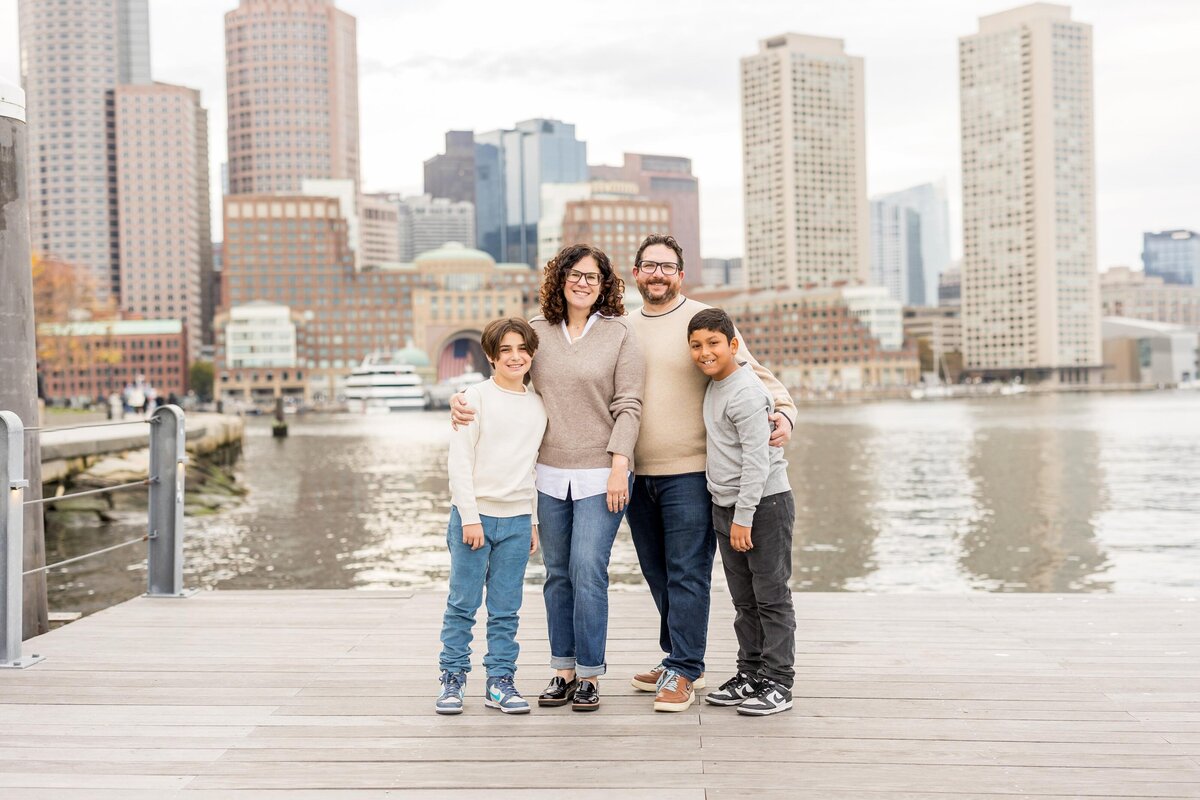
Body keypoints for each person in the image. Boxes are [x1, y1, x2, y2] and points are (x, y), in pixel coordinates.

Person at [453, 243, 644, 712]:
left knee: (587, 568)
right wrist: (461, 400)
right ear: (560, 280)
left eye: (592, 276)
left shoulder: (620, 333)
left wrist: (620, 464)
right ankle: (563, 670)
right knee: (557, 574)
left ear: (604, 285)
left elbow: (629, 404)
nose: (583, 283)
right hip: (548, 476)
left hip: (603, 473)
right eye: (574, 274)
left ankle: (590, 674)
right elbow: (507, 380)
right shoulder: (537, 332)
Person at [625, 233, 796, 713]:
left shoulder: (704, 322)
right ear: (635, 273)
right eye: (649, 265)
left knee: (687, 573)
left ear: (680, 274)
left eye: (667, 267)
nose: (658, 274)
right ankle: (676, 656)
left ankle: (685, 668)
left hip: (691, 474)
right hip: (637, 474)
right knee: (658, 573)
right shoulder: (621, 326)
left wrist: (785, 413)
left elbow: (756, 377)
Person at [687, 308, 796, 716]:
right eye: (696, 345)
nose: (705, 352)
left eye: (714, 343)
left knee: (771, 598)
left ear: (734, 345)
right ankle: (750, 673)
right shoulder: (716, 384)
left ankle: (779, 682)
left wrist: (743, 517)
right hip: (727, 505)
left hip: (762, 506)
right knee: (744, 601)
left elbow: (757, 461)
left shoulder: (747, 392)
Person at [436, 317, 548, 716]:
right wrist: (469, 517)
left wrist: (532, 520)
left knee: (505, 609)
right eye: (505, 351)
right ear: (491, 357)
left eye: (522, 349)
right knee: (462, 604)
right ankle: (452, 677)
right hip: (475, 517)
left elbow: (530, 468)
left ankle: (500, 681)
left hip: (517, 521)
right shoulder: (474, 399)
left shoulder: (538, 405)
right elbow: (459, 462)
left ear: (532, 354)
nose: (515, 357)